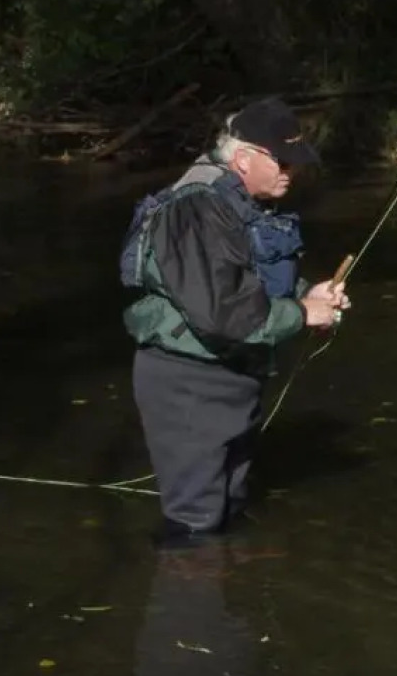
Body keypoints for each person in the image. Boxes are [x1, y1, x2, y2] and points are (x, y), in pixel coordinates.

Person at [121, 95, 349, 544]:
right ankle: (183, 603)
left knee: (230, 504)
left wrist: (308, 294)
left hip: (231, 379)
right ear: (244, 159)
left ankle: (223, 601)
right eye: (283, 162)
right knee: (195, 524)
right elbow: (225, 312)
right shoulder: (197, 209)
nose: (292, 172)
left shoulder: (244, 203)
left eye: (296, 162)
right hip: (189, 383)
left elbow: (251, 281)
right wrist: (303, 314)